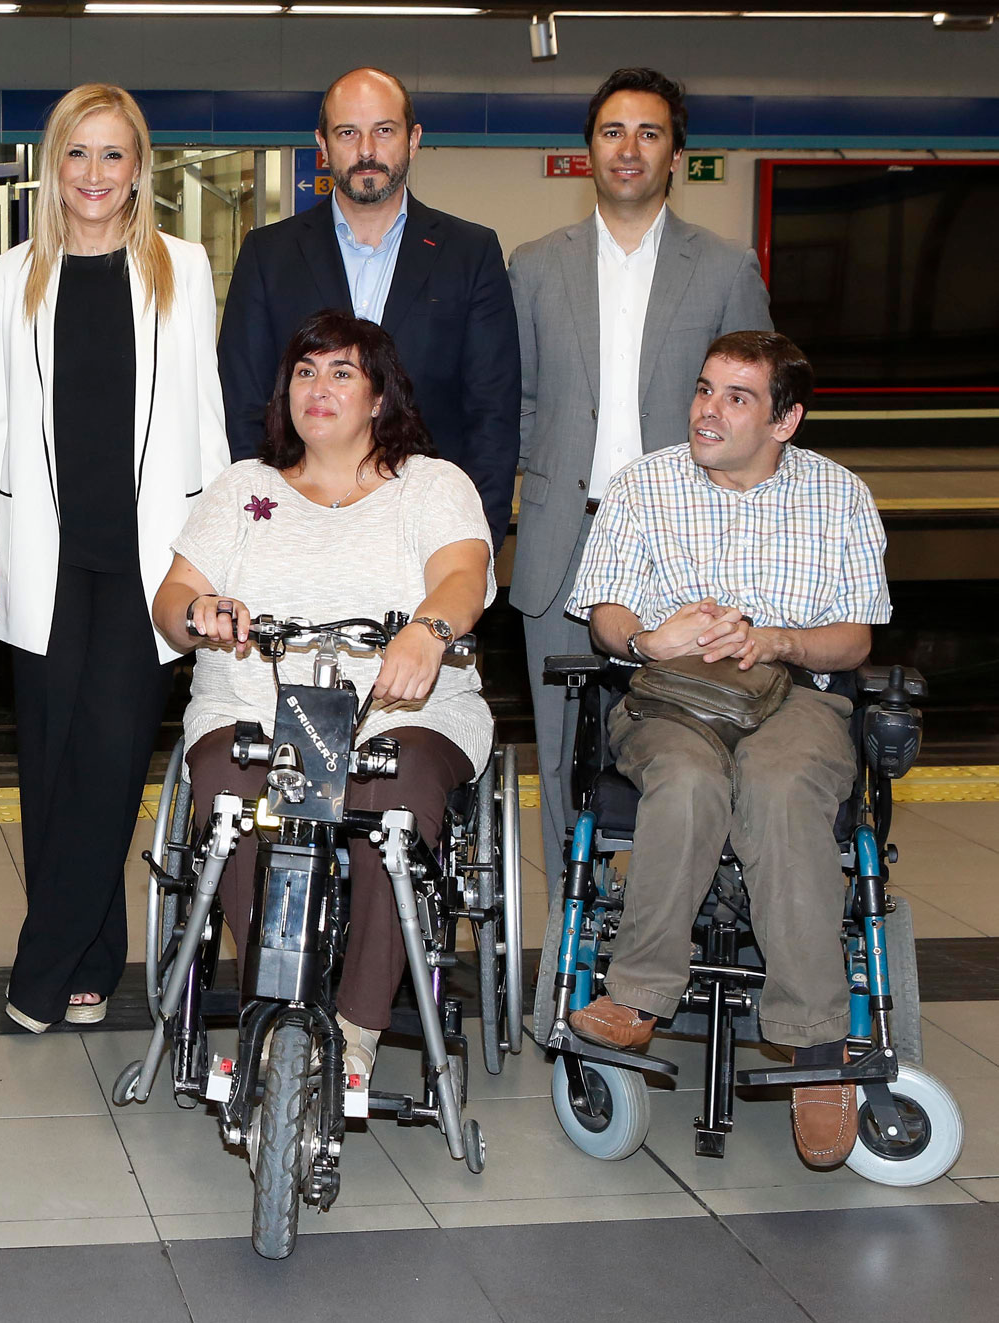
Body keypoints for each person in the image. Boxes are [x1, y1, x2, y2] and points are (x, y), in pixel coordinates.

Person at [562, 332, 889, 1169]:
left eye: (735, 397)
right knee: (686, 779)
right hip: (669, 693)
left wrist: (778, 640)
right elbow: (603, 615)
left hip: (796, 693)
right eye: (704, 389)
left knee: (780, 789)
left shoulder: (838, 495)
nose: (707, 409)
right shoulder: (642, 485)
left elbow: (854, 638)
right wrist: (649, 638)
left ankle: (817, 1045)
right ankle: (636, 996)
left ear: (784, 420)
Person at [154, 311, 495, 1093]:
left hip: (399, 710)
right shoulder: (246, 490)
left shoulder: (430, 486)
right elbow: (172, 598)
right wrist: (198, 610)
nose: (318, 387)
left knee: (391, 794)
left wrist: (428, 630)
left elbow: (462, 576)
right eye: (305, 372)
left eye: (342, 372)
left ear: (378, 396)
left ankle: (355, 1028)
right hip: (254, 703)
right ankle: (273, 1011)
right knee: (235, 791)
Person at [0, 84, 229, 1034]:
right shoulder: (14, 273)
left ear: (139, 167)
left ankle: (39, 968)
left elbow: (205, 412)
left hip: (151, 563)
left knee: (109, 763)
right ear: (53, 165)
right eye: (78, 152)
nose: (95, 173)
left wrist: (216, 549)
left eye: (113, 154)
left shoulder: (181, 267)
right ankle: (93, 959)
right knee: (50, 766)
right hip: (43, 555)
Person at [509, 66, 773, 865]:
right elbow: (518, 400)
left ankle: (682, 914)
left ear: (675, 155)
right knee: (560, 750)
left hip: (685, 548)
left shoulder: (724, 268)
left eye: (648, 133)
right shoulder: (534, 265)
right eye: (611, 132)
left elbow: (755, 413)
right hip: (562, 541)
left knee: (694, 740)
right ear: (588, 150)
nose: (628, 149)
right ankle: (569, 922)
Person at [215, 67, 519, 537]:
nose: (366, 151)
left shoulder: (470, 254)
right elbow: (244, 406)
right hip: (297, 529)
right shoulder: (267, 255)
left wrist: (478, 539)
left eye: (384, 131)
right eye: (347, 133)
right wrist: (265, 526)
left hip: (429, 533)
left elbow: (492, 414)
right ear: (322, 144)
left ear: (413, 140)